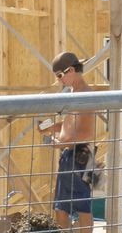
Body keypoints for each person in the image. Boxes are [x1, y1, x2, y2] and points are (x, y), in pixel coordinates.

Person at [38, 51, 96, 233]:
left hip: (78, 158)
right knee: (61, 209)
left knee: (81, 209)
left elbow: (86, 134)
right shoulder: (72, 93)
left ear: (71, 70)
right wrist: (48, 127)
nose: (59, 81)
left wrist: (60, 144)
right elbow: (69, 125)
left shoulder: (85, 95)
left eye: (60, 76)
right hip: (68, 156)